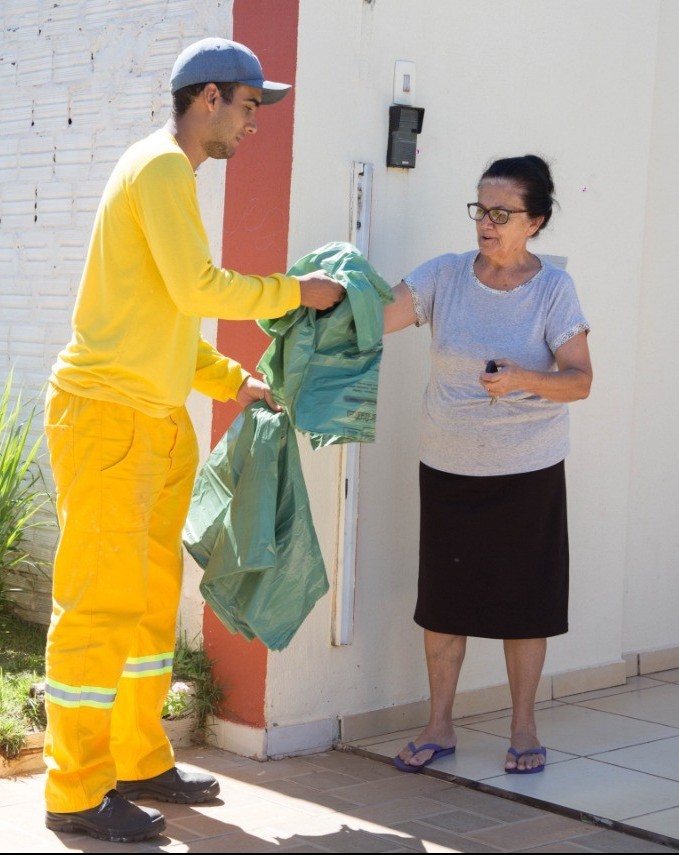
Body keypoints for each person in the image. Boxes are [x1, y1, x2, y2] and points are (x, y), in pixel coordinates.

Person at [41, 37, 344, 843]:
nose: (253, 123)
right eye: (248, 106)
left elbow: (165, 310)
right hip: (105, 413)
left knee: (144, 606)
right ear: (207, 97)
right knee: (99, 606)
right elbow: (198, 288)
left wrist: (228, 380)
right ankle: (74, 788)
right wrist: (298, 294)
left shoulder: (166, 172)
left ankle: (139, 757)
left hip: (151, 415)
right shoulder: (163, 167)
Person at [383, 155, 592, 776]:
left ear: (536, 221)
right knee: (444, 604)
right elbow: (379, 315)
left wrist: (522, 378)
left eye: (502, 213)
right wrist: (319, 307)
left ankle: (523, 728)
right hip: (448, 469)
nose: (487, 223)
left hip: (528, 474)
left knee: (525, 606)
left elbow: (580, 382)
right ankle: (438, 725)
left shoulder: (553, 289)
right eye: (481, 209)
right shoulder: (445, 276)